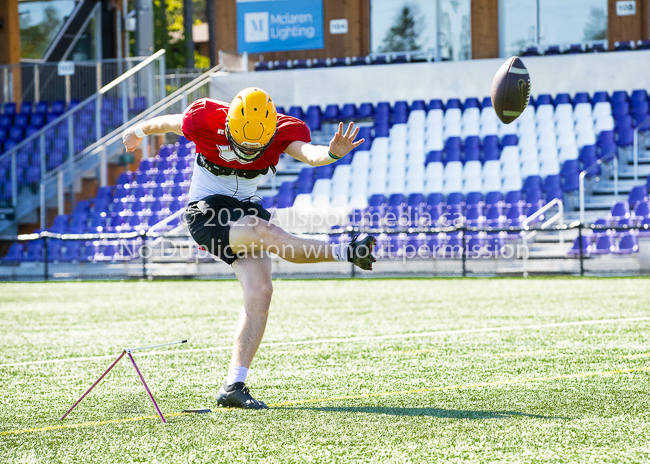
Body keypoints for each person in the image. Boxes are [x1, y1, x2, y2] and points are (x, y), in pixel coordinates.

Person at [122, 87, 376, 409]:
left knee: (261, 291)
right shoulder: (205, 117)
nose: (246, 151)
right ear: (228, 124)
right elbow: (168, 123)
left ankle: (234, 385)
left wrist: (332, 154)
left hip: (244, 210)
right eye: (240, 144)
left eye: (255, 148)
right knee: (263, 230)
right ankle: (346, 252)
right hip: (208, 212)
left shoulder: (283, 130)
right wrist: (136, 131)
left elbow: (310, 154)